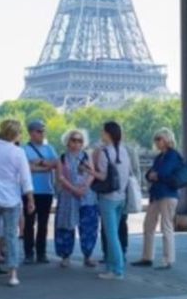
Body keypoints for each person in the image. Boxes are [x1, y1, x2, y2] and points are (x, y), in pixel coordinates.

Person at [0, 119, 35, 287]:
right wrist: (30, 199)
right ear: (16, 134)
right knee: (11, 236)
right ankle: (13, 274)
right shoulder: (18, 152)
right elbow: (26, 179)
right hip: (11, 199)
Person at [87, 121, 131, 280]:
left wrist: (88, 170)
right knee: (115, 234)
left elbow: (103, 176)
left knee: (111, 235)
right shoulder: (124, 150)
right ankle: (112, 266)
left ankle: (117, 269)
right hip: (121, 197)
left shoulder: (104, 152)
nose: (100, 133)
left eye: (102, 131)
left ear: (107, 134)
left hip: (107, 198)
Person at [132, 128, 181, 270]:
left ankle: (168, 260)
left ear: (167, 139)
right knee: (148, 225)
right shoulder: (160, 156)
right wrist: (155, 175)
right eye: (156, 139)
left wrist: (156, 175)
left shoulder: (173, 155)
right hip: (157, 194)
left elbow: (161, 172)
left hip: (167, 193)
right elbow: (150, 174)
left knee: (166, 226)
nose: (156, 142)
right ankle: (147, 257)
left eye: (159, 139)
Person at [54, 129, 99, 268]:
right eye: (74, 140)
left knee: (89, 227)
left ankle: (88, 255)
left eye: (80, 140)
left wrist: (85, 186)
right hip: (68, 196)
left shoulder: (86, 156)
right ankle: (65, 256)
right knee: (65, 227)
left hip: (87, 197)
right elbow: (60, 178)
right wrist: (74, 189)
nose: (77, 143)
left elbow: (92, 173)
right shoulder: (62, 158)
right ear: (68, 141)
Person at [22, 119, 59, 264]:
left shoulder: (49, 148)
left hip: (46, 190)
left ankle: (41, 252)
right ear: (31, 133)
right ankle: (28, 253)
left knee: (43, 224)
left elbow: (56, 163)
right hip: (30, 191)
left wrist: (39, 163)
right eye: (39, 131)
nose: (42, 134)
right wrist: (45, 166)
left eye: (43, 131)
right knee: (29, 223)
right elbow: (25, 168)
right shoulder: (24, 149)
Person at [101, 139, 139, 263]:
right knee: (115, 226)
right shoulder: (127, 150)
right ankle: (113, 254)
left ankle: (116, 258)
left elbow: (134, 171)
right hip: (122, 193)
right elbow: (135, 171)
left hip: (112, 194)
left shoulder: (105, 150)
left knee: (113, 228)